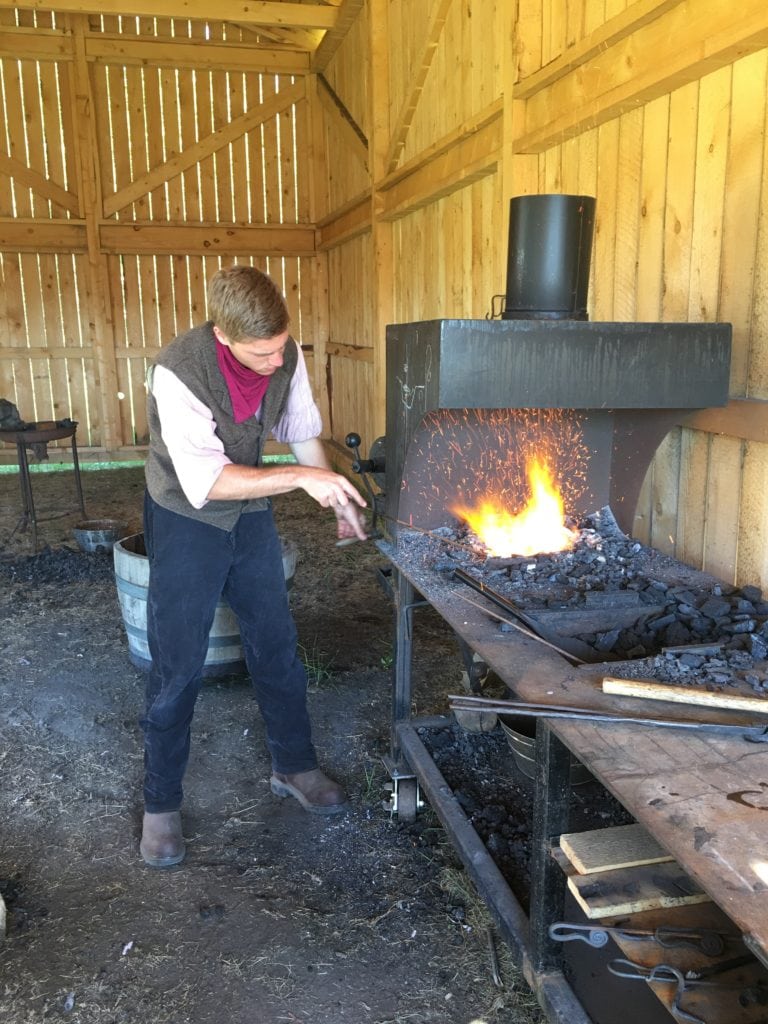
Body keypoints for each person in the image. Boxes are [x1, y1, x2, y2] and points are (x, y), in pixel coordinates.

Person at [139, 264, 367, 868]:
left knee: (276, 643)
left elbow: (302, 434)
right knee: (178, 661)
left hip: (249, 508)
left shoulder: (284, 355)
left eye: (279, 347)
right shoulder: (178, 370)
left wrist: (334, 496)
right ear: (222, 334)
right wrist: (301, 478)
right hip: (186, 512)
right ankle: (160, 803)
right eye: (260, 353)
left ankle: (294, 766)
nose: (273, 362)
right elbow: (207, 481)